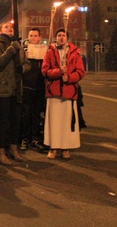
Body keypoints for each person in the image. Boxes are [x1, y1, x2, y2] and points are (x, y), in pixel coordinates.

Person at [41, 28, 85, 160]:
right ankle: (53, 147)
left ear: (67, 38)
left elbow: (80, 72)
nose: (61, 37)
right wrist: (59, 72)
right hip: (54, 92)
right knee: (54, 122)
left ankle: (65, 148)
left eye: (63, 35)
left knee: (66, 122)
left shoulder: (75, 53)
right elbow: (45, 71)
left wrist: (69, 77)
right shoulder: (49, 52)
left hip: (68, 92)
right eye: (59, 35)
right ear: (55, 38)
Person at [0, 22, 28, 165]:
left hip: (15, 88)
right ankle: (0, 151)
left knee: (15, 121)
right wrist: (12, 49)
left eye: (11, 27)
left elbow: (26, 62)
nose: (10, 28)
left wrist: (23, 68)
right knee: (3, 121)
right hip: (1, 89)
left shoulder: (17, 45)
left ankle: (13, 149)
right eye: (6, 27)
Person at [20, 27, 47, 152]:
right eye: (31, 35)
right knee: (26, 113)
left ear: (40, 37)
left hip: (39, 86)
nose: (33, 38)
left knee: (36, 113)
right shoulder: (23, 50)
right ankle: (24, 138)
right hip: (26, 86)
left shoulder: (44, 51)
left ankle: (34, 137)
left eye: (35, 36)